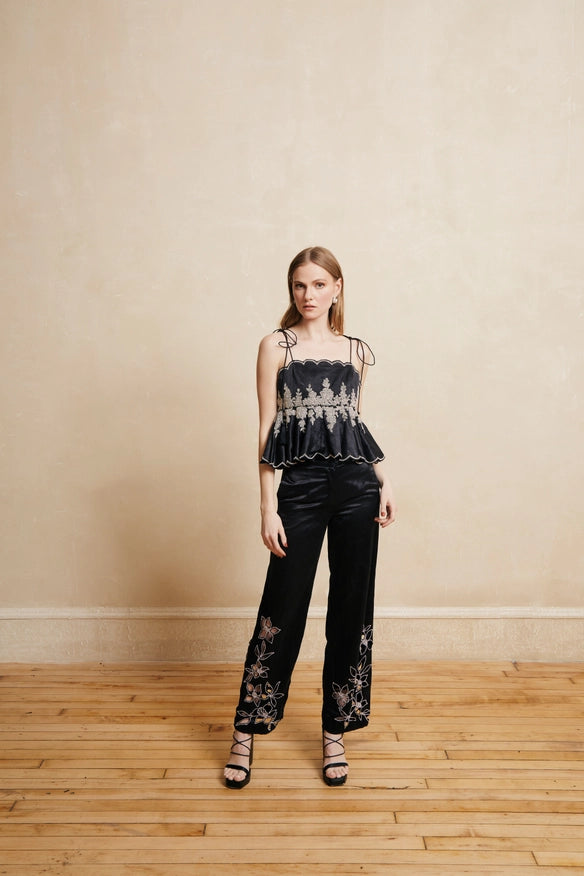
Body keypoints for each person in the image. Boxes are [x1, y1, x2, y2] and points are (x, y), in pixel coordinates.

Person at [224, 246, 395, 789]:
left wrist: (385, 480)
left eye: (319, 284)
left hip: (356, 487)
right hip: (299, 486)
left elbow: (354, 424)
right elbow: (266, 429)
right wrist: (267, 504)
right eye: (300, 285)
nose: (308, 295)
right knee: (283, 604)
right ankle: (246, 730)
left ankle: (335, 731)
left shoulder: (357, 352)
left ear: (337, 288)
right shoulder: (276, 346)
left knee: (351, 607)